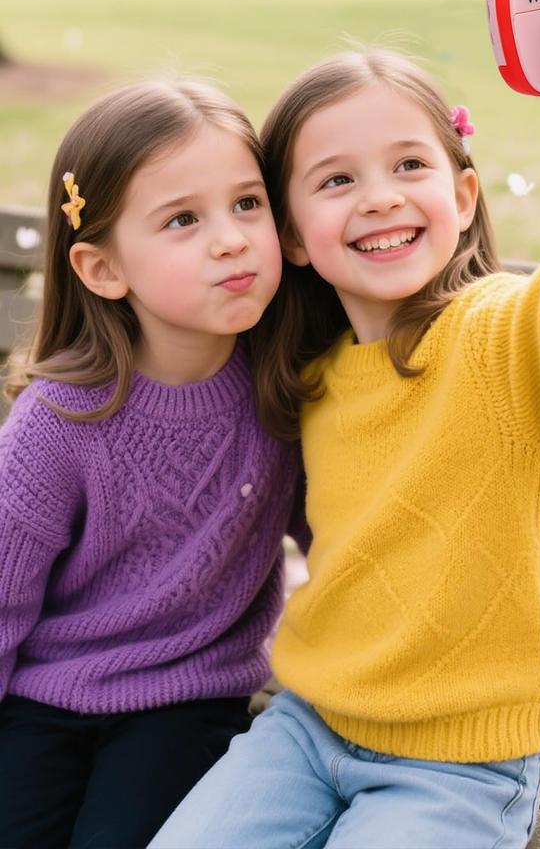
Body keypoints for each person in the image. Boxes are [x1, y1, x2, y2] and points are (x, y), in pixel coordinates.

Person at [149, 0, 540, 849]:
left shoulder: (501, 342)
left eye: (410, 166)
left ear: (463, 199)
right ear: (293, 237)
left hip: (459, 762)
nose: (379, 196)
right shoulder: (310, 371)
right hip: (306, 729)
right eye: (336, 180)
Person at [0, 79, 309, 849]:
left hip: (187, 699)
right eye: (183, 219)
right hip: (46, 695)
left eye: (247, 204)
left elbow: (344, 540)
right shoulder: (59, 423)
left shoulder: (287, 391)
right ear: (104, 269)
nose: (232, 238)